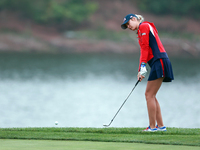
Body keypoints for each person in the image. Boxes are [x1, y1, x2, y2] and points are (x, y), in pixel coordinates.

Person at [121, 14, 174, 132]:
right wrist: (141, 70)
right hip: (158, 62)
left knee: (148, 95)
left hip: (159, 61)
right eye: (126, 26)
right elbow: (143, 51)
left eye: (128, 24)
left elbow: (145, 48)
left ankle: (152, 127)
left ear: (134, 19)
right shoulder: (140, 31)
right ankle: (160, 127)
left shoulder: (144, 26)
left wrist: (143, 67)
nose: (128, 27)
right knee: (152, 95)